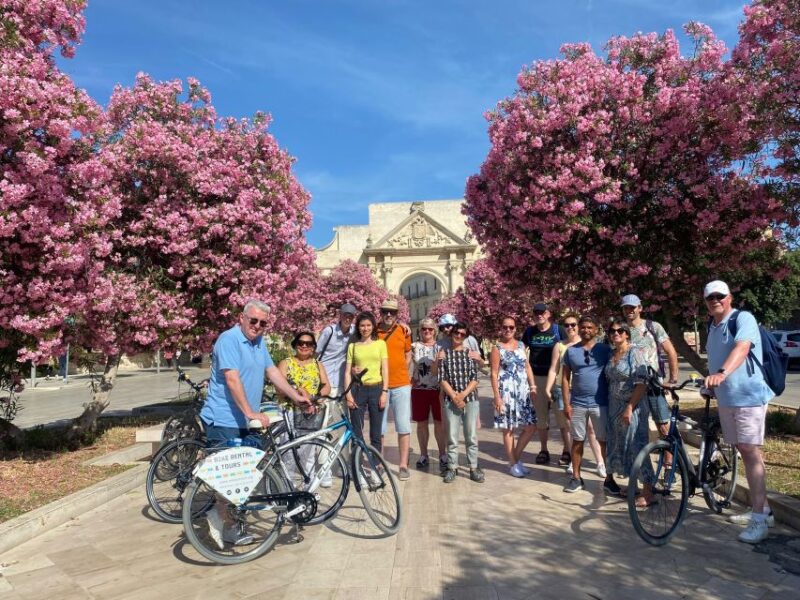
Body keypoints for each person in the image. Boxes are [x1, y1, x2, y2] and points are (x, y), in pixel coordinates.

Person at [200, 299, 311, 548]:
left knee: (245, 475)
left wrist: (296, 397)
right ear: (242, 318)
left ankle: (225, 517)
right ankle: (223, 522)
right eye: (253, 320)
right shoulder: (229, 339)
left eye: (263, 323)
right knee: (229, 476)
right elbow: (232, 379)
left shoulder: (258, 342)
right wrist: (250, 412)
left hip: (246, 420)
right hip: (225, 418)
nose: (258, 326)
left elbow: (272, 372)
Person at [703, 280, 775, 544]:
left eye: (719, 296)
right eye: (710, 297)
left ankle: (759, 520)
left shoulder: (742, 319)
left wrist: (722, 373)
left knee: (750, 450)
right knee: (742, 450)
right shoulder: (711, 327)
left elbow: (742, 347)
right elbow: (714, 359)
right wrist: (711, 385)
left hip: (749, 397)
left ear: (729, 297)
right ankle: (763, 510)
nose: (715, 300)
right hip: (726, 398)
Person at [545, 313, 605, 477]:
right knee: (571, 428)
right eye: (567, 325)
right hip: (565, 391)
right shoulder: (561, 346)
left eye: (573, 324)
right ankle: (574, 460)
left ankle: (600, 461)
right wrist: (548, 388)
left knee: (591, 428)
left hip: (586, 393)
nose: (570, 328)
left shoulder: (592, 345)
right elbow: (554, 369)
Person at [604, 319, 655, 505]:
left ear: (627, 334)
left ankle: (648, 491)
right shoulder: (612, 354)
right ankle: (634, 485)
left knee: (637, 445)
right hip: (614, 408)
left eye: (620, 330)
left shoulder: (635, 352)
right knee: (623, 446)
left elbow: (642, 383)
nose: (616, 333)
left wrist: (630, 407)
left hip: (633, 407)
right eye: (612, 331)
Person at [561, 315, 612, 493]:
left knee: (604, 441)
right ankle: (576, 478)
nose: (586, 330)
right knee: (577, 441)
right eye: (583, 327)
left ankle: (609, 479)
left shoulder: (605, 350)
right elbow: (565, 378)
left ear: (596, 329)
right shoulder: (570, 351)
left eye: (590, 327)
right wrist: (566, 404)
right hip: (578, 404)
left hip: (601, 403)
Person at [620, 294, 679, 439]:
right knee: (631, 423)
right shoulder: (620, 330)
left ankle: (669, 453)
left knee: (662, 425)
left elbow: (671, 351)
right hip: (629, 385)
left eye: (632, 307)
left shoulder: (653, 327)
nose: (629, 310)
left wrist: (672, 379)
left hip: (653, 383)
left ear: (640, 308)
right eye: (626, 308)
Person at [522, 303, 569, 465]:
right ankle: (544, 450)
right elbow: (521, 351)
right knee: (541, 417)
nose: (539, 315)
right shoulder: (529, 332)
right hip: (537, 378)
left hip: (556, 378)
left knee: (562, 416)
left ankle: (567, 450)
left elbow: (568, 346)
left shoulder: (558, 330)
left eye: (542, 312)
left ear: (548, 314)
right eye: (536, 312)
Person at [491, 316, 537, 477]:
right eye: (505, 327)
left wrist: (533, 386)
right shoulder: (497, 348)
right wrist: (497, 397)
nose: (508, 330)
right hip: (506, 392)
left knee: (531, 427)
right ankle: (513, 463)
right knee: (508, 428)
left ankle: (514, 460)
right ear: (501, 328)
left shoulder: (521, 345)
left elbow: (527, 366)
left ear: (515, 329)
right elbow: (494, 373)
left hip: (523, 392)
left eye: (511, 327)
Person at [438, 322, 483, 483]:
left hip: (469, 399)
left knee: (471, 435)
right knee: (451, 436)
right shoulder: (444, 354)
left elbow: (475, 378)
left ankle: (473, 467)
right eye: (456, 333)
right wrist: (454, 396)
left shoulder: (470, 354)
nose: (458, 336)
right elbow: (442, 378)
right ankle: (452, 467)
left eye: (462, 334)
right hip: (451, 399)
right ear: (452, 334)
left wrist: (462, 395)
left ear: (466, 337)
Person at [376, 299, 414, 481]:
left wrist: (402, 370)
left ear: (398, 314)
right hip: (379, 385)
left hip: (401, 385)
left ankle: (403, 465)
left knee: (403, 425)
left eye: (392, 312)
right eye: (385, 311)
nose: (389, 314)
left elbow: (408, 353)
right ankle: (380, 463)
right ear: (381, 312)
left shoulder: (403, 331)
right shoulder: (374, 331)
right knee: (379, 427)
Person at [344, 311, 389, 453]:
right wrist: (348, 395)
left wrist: (384, 392)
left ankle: (375, 463)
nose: (365, 328)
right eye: (362, 325)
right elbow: (347, 372)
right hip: (358, 390)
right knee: (357, 431)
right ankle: (357, 463)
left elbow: (385, 370)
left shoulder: (380, 344)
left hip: (376, 389)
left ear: (373, 326)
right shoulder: (352, 346)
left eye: (368, 325)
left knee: (376, 432)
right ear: (358, 327)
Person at [411, 318, 446, 470]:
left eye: (430, 329)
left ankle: (443, 455)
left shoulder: (441, 347)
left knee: (439, 423)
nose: (427, 331)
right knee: (421, 424)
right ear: (420, 330)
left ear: (435, 331)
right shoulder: (413, 346)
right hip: (419, 390)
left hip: (438, 390)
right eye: (424, 328)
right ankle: (423, 455)